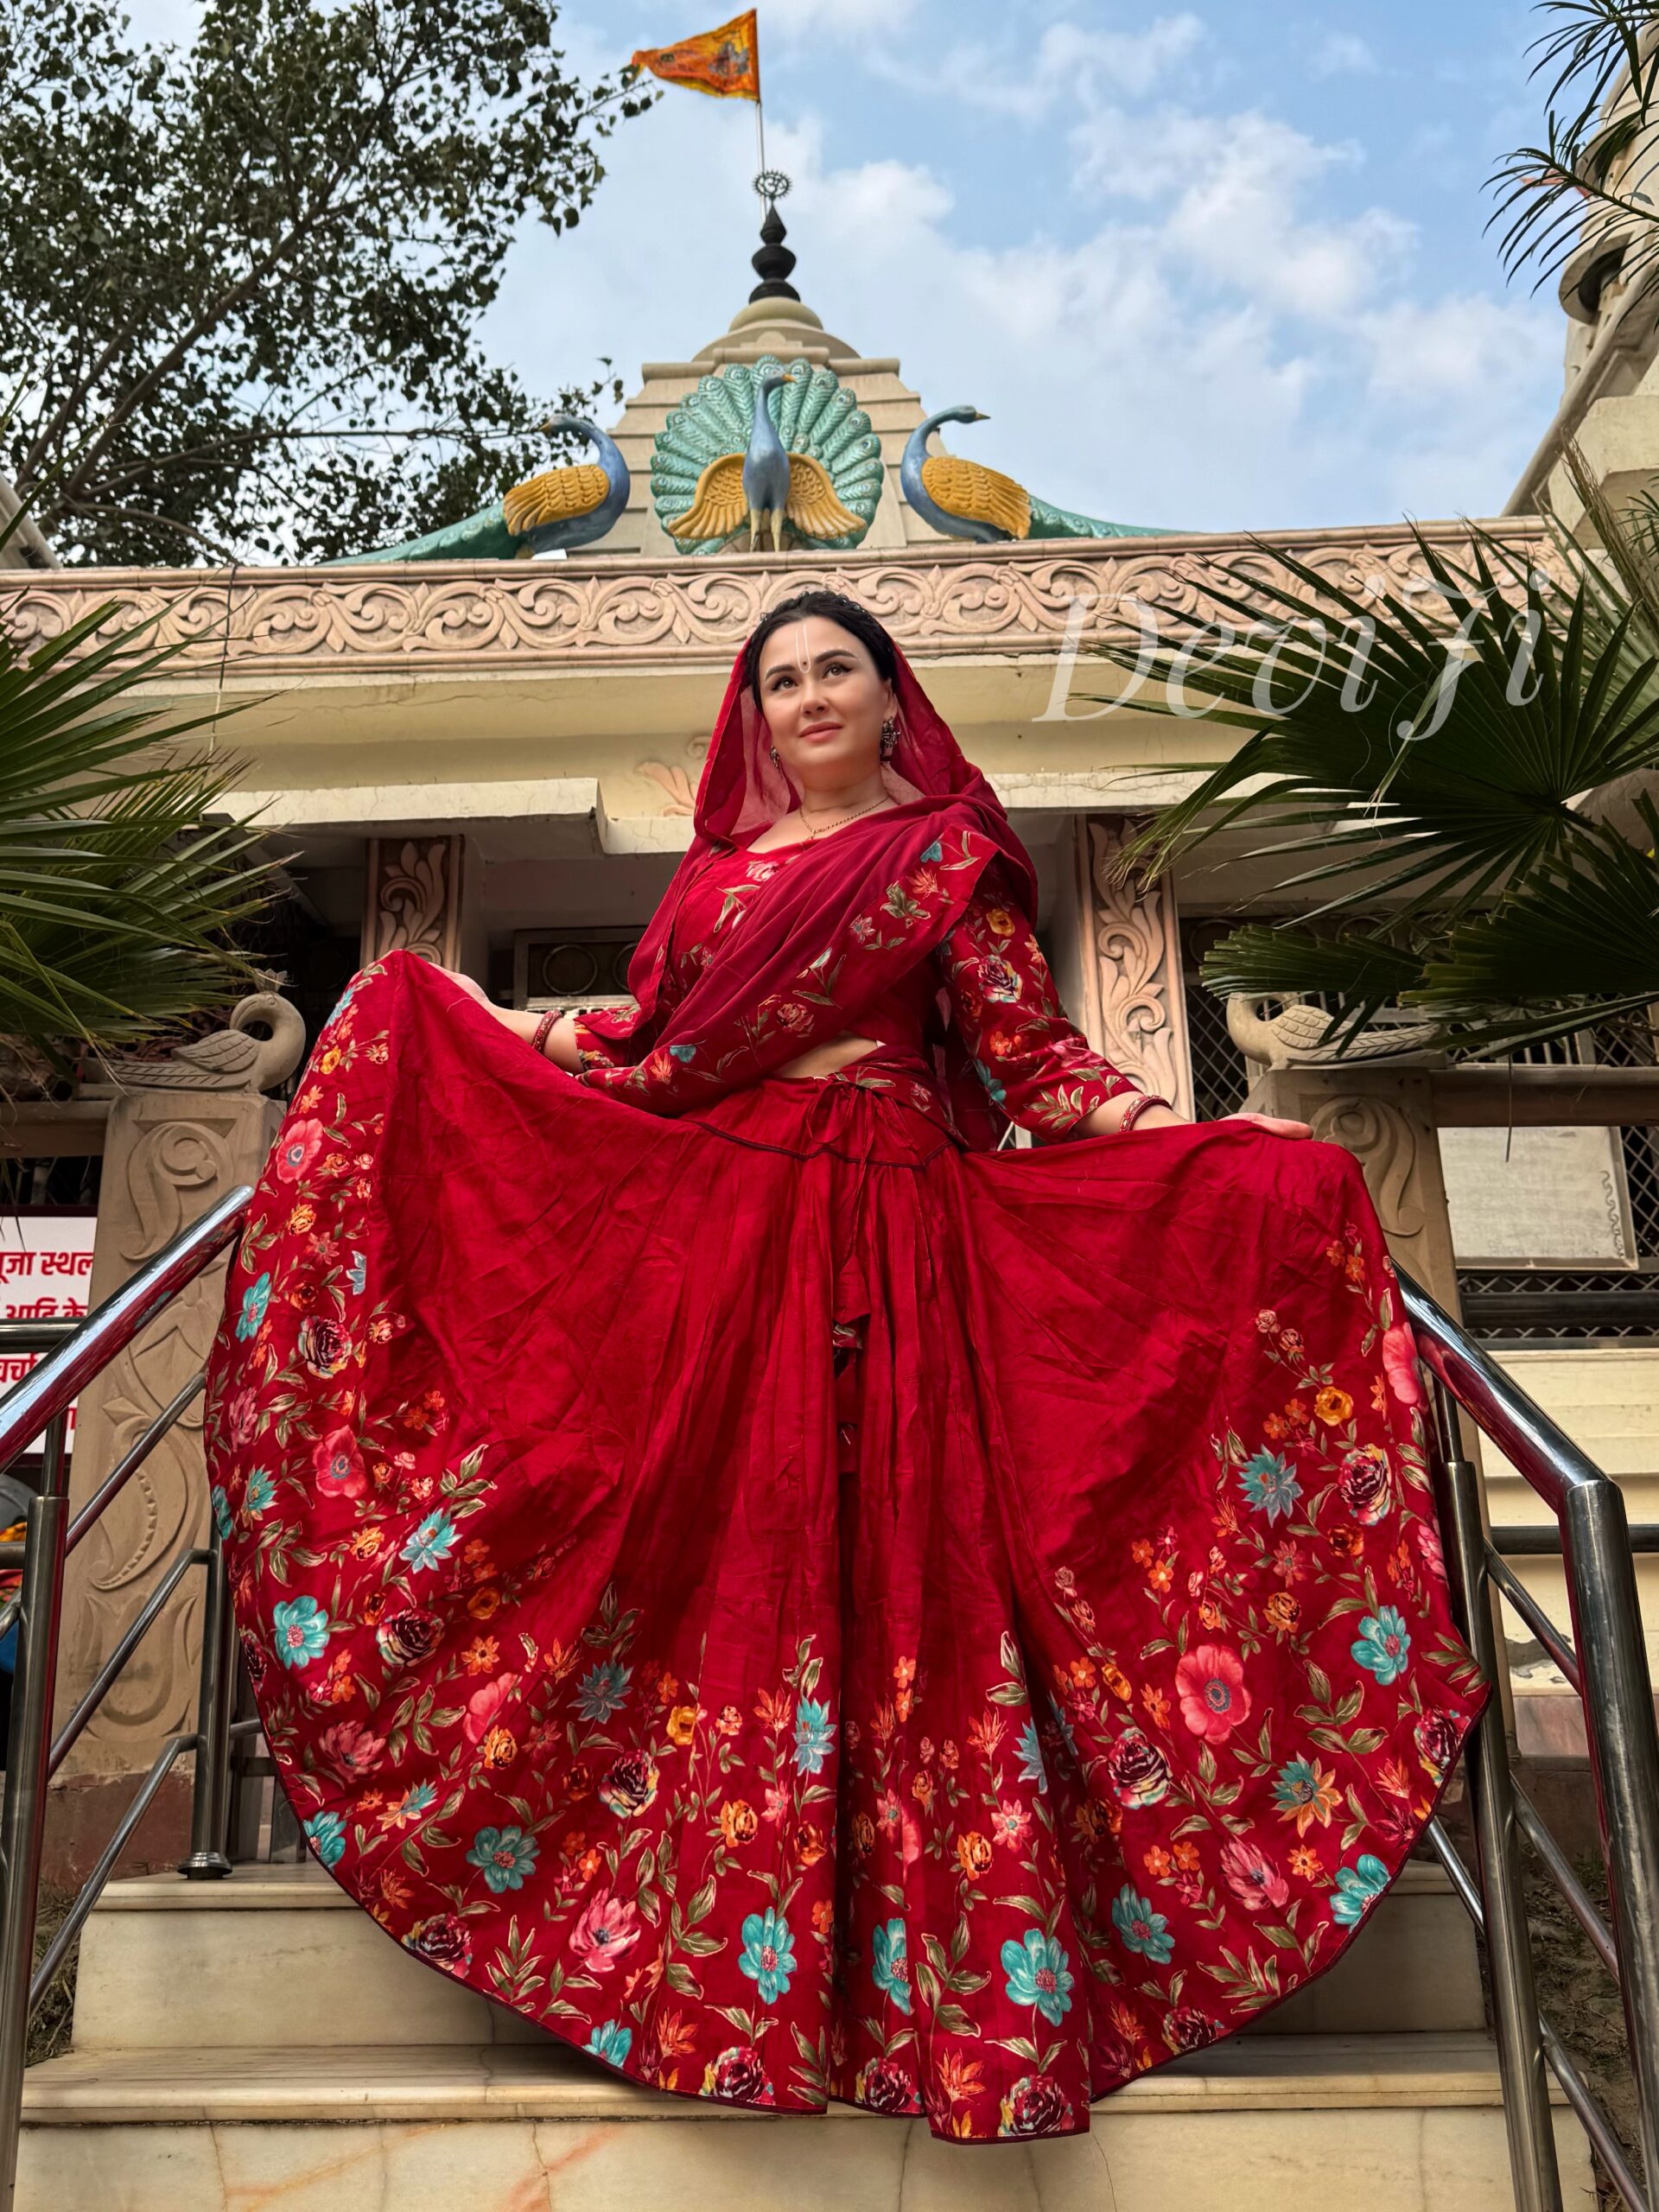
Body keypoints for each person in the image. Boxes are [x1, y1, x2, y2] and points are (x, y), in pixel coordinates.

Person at [205, 588, 1486, 2145]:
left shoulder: (948, 860)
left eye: (836, 673)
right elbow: (658, 1041)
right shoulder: (721, 878)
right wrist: (488, 1021)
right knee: (712, 1564)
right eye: (781, 682)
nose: (807, 700)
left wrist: (1193, 1134)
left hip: (894, 1228)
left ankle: (936, 1980)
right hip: (721, 1248)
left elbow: (1032, 1062)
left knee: (907, 1567)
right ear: (757, 715)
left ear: (893, 697)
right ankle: (721, 1971)